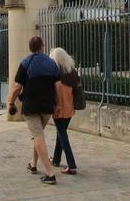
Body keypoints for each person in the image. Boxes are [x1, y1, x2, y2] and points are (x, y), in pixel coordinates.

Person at [6, 35, 60, 186]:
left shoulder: (26, 63)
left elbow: (17, 87)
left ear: (31, 47)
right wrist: (58, 104)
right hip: (48, 107)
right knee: (38, 136)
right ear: (42, 46)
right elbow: (57, 87)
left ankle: (50, 173)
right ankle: (33, 164)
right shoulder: (52, 64)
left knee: (37, 136)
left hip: (31, 107)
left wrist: (11, 102)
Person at [49, 47, 81, 175]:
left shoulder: (56, 74)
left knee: (62, 135)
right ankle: (56, 160)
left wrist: (55, 106)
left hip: (59, 108)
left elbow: (56, 94)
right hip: (70, 108)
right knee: (61, 133)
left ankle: (72, 165)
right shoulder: (72, 72)